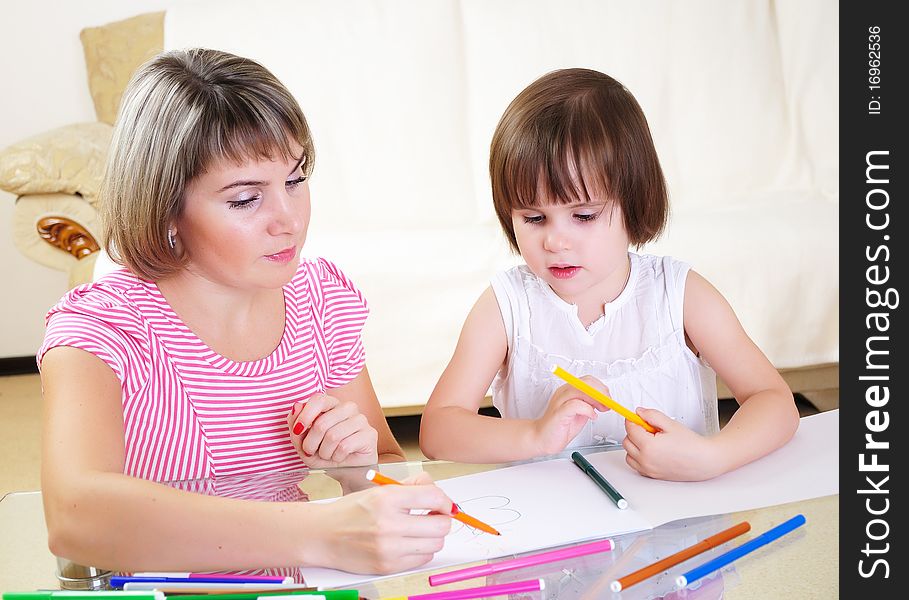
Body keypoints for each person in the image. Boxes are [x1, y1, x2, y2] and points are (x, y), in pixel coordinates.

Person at [38, 48, 453, 574]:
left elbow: (385, 465)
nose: (289, 219)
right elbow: (74, 519)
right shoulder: (100, 329)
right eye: (244, 199)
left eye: (295, 180)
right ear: (165, 210)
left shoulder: (320, 300)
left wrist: (357, 471)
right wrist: (321, 532)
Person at [419, 68, 800, 481]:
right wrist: (535, 435)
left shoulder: (681, 294)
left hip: (679, 523)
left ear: (635, 203)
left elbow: (774, 401)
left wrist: (714, 455)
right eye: (533, 217)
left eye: (583, 215)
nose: (555, 241)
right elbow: (439, 429)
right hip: (556, 530)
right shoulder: (506, 305)